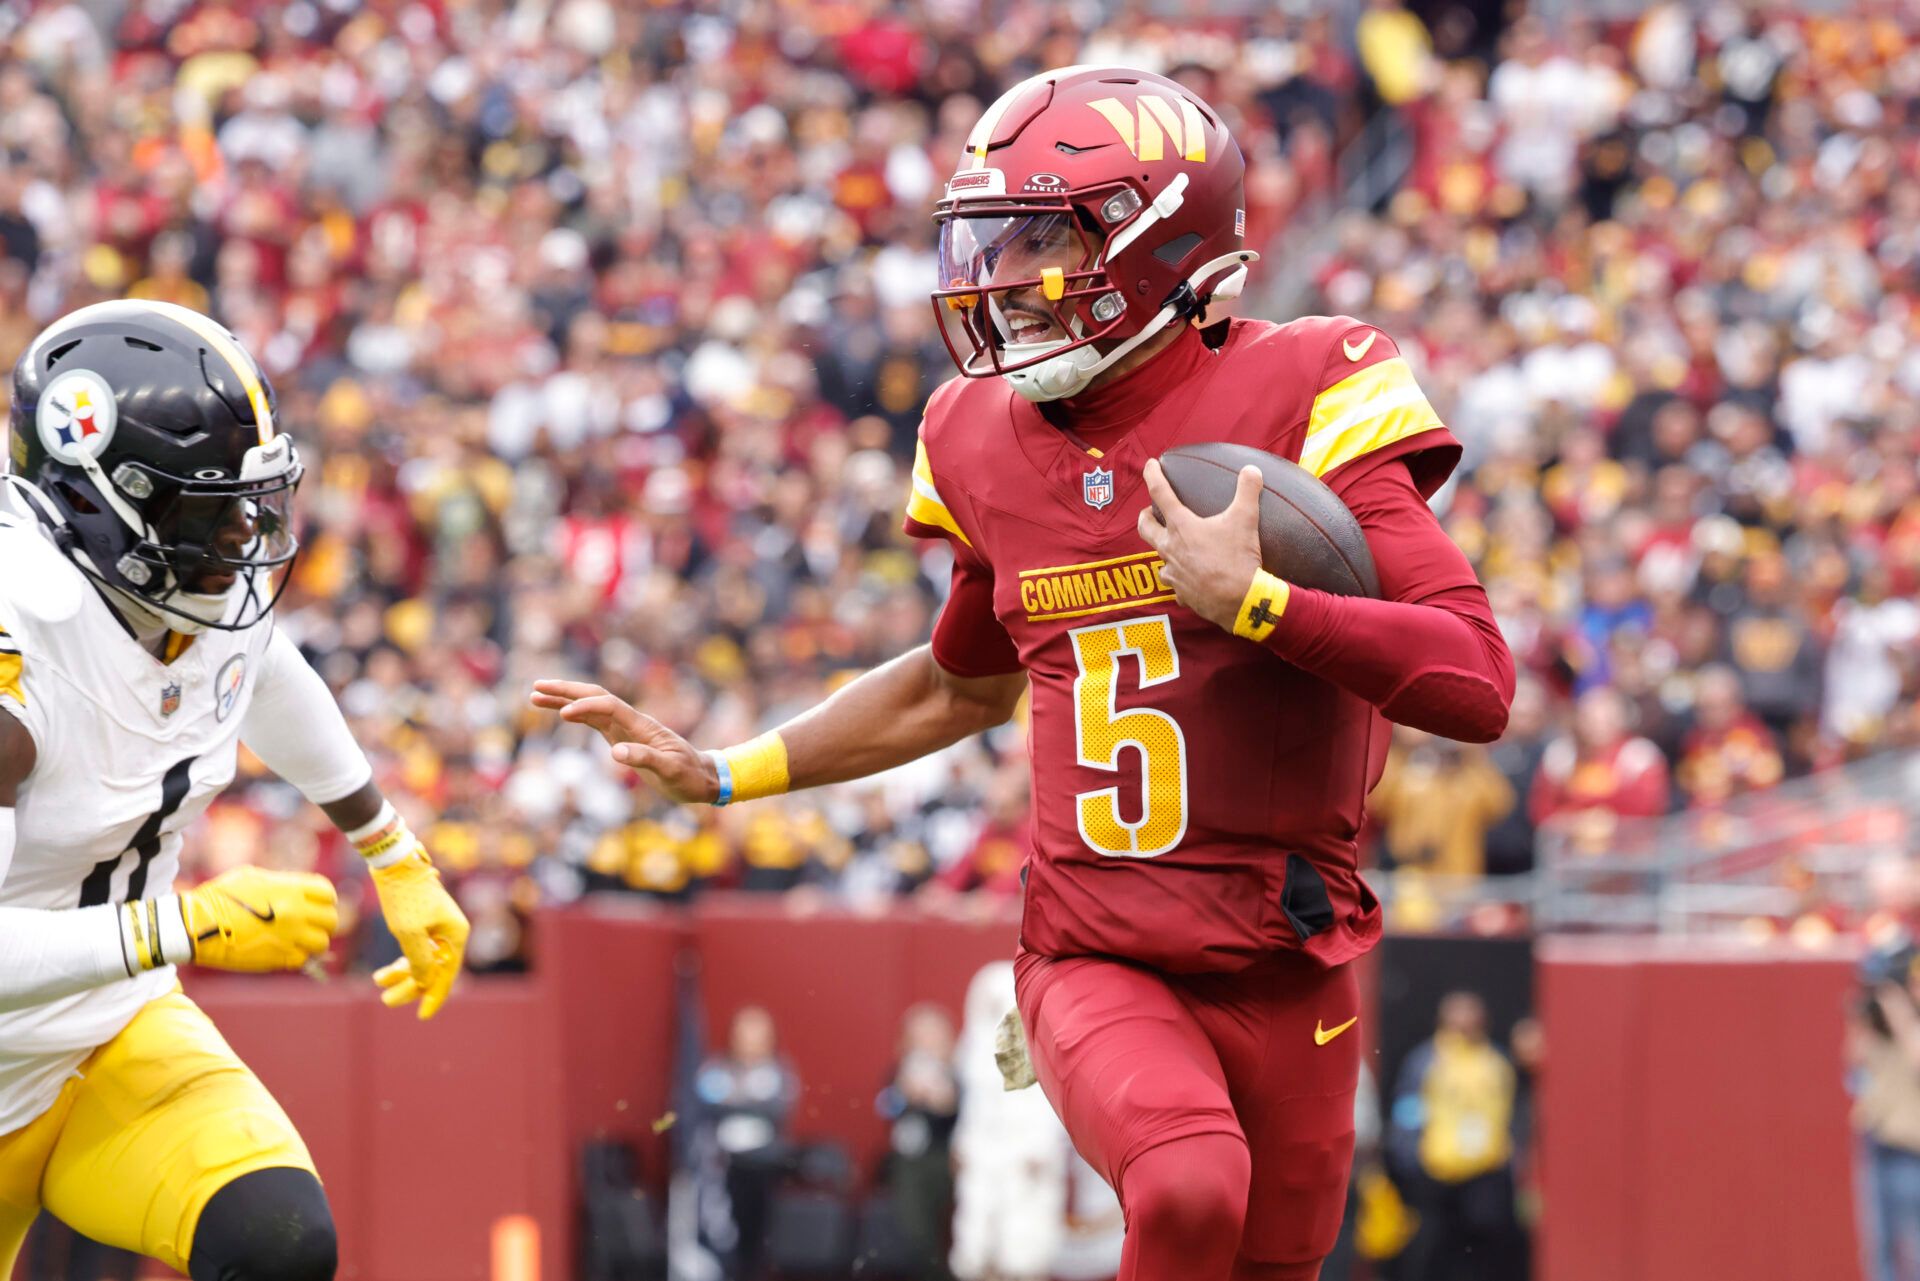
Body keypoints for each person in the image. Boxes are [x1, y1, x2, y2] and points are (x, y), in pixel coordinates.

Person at [533, 65, 1514, 1281]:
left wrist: (1260, 602)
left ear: (1165, 242)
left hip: (1290, 957)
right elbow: (960, 681)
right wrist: (726, 772)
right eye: (990, 238)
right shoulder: (972, 435)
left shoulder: (1306, 382)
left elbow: (1474, 680)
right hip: (1099, 955)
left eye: (1044, 238)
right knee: (1191, 1187)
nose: (1001, 275)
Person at [0, 299, 471, 1280]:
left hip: (102, 1036)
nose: (245, 531)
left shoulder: (164, 583)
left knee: (279, 1243)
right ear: (99, 499)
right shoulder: (20, 632)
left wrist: (391, 849)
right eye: (212, 505)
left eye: (252, 499)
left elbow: (254, 666)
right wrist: (186, 926)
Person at [1387, 993, 1523, 1281]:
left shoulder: (1495, 1061)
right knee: (1432, 1250)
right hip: (1437, 1171)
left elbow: (1510, 1113)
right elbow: (1408, 1110)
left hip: (1486, 1174)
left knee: (1483, 1255)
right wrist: (1411, 1159)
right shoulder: (1426, 1060)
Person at [949, 962, 1069, 1281]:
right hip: (984, 1155)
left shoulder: (1040, 1047)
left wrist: (1044, 1148)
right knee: (976, 1240)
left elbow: (1052, 1103)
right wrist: (962, 1144)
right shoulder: (974, 1051)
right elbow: (972, 1104)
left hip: (1026, 1154)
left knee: (1025, 1243)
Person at [695, 1005, 799, 1281]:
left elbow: (777, 1108)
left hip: (764, 1167)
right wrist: (746, 1101)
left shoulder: (778, 1071)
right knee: (725, 1233)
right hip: (723, 1167)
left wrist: (738, 1100)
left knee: (759, 1235)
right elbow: (707, 1101)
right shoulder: (717, 1067)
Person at [1849, 937, 1920, 1281]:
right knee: (1879, 1244)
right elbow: (1853, 1068)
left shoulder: (1911, 1021)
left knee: (1916, 1246)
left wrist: (1901, 1012)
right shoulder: (1873, 1023)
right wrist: (1864, 1017)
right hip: (1877, 1140)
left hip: (1912, 1149)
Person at [877, 1003, 961, 1281]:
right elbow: (885, 1107)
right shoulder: (900, 1072)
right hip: (911, 1162)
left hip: (947, 1159)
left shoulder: (960, 1073)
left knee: (952, 1230)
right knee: (915, 1231)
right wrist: (905, 1094)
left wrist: (946, 1103)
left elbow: (966, 1114)